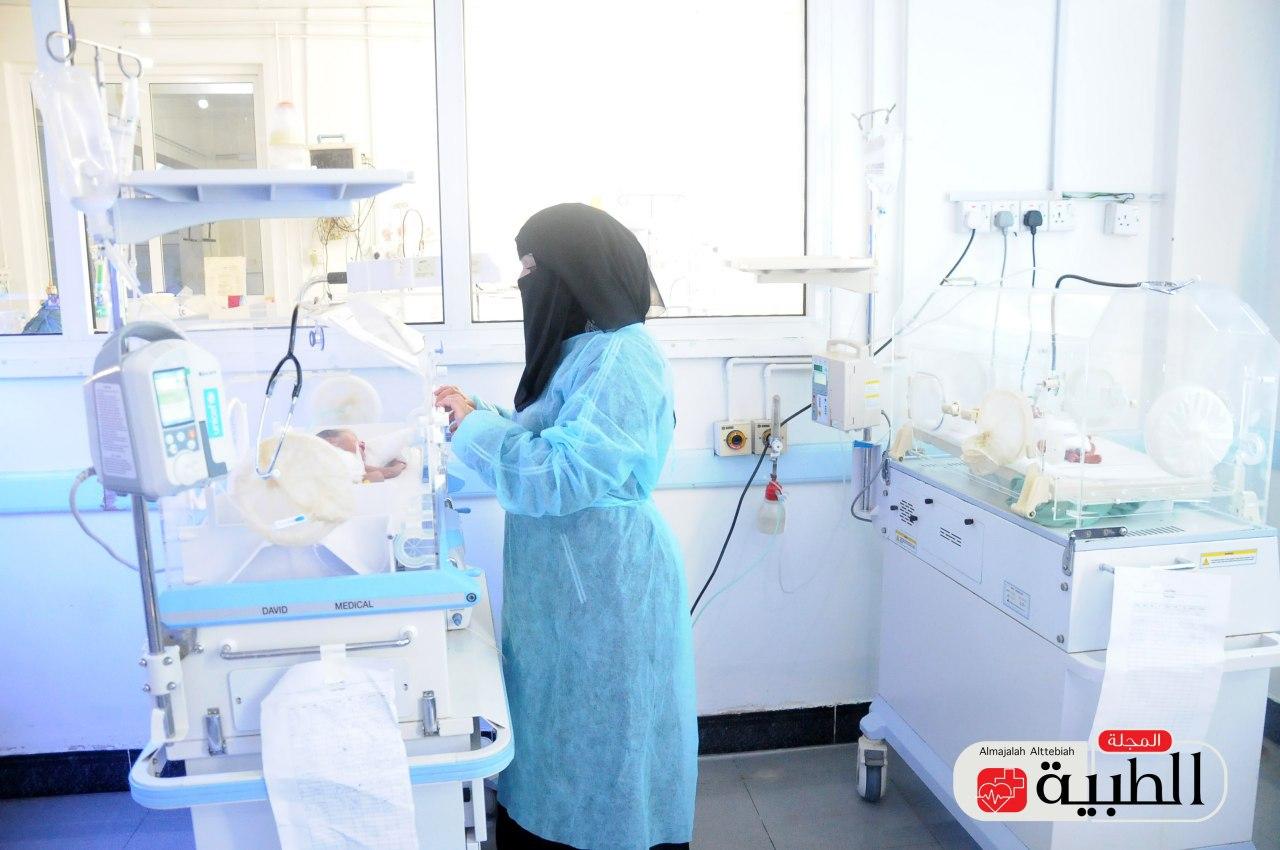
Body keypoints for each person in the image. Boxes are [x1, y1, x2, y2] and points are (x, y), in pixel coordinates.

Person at [435, 203, 696, 850]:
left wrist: (475, 430)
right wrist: (473, 412)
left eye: (532, 267)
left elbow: (561, 474)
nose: (524, 281)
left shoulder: (622, 356)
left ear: (578, 269)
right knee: (558, 741)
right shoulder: (584, 352)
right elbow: (549, 432)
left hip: (608, 591)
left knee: (606, 756)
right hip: (571, 592)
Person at [316, 427, 407, 482]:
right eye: (355, 442)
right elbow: (388, 472)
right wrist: (400, 464)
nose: (362, 446)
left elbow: (383, 474)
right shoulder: (332, 458)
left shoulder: (355, 464)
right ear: (331, 441)